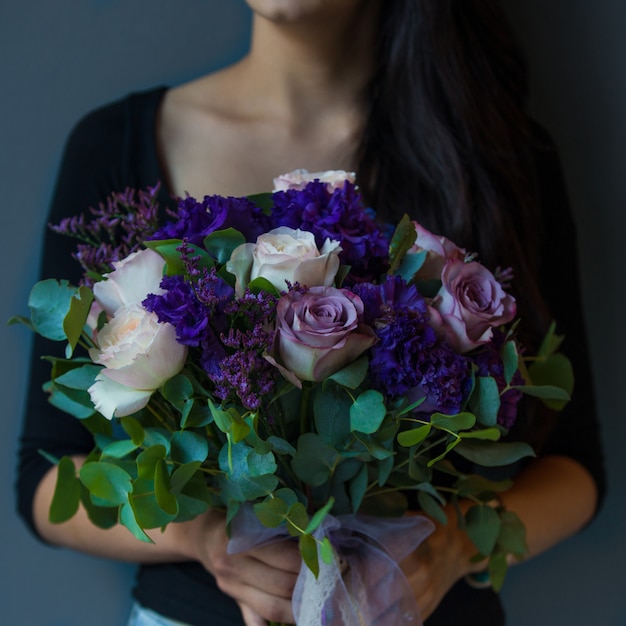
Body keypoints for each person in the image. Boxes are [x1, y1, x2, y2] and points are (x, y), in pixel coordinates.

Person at [16, 1, 606, 625]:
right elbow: (44, 475)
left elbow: (576, 468)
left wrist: (453, 545)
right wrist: (206, 539)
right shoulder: (117, 144)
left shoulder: (490, 153)